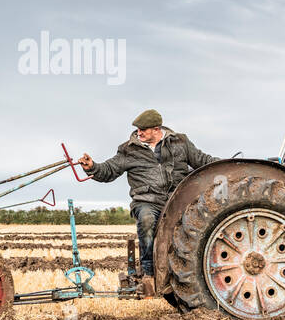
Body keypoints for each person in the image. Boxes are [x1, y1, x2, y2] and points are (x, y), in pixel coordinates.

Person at [78, 109, 218, 298]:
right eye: (137, 130)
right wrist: (92, 167)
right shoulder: (129, 149)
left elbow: (202, 161)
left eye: (143, 130)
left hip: (177, 200)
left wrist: (229, 165)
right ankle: (149, 275)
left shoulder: (180, 142)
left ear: (156, 129)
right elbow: (109, 170)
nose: (139, 133)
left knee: (199, 222)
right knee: (146, 219)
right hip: (147, 201)